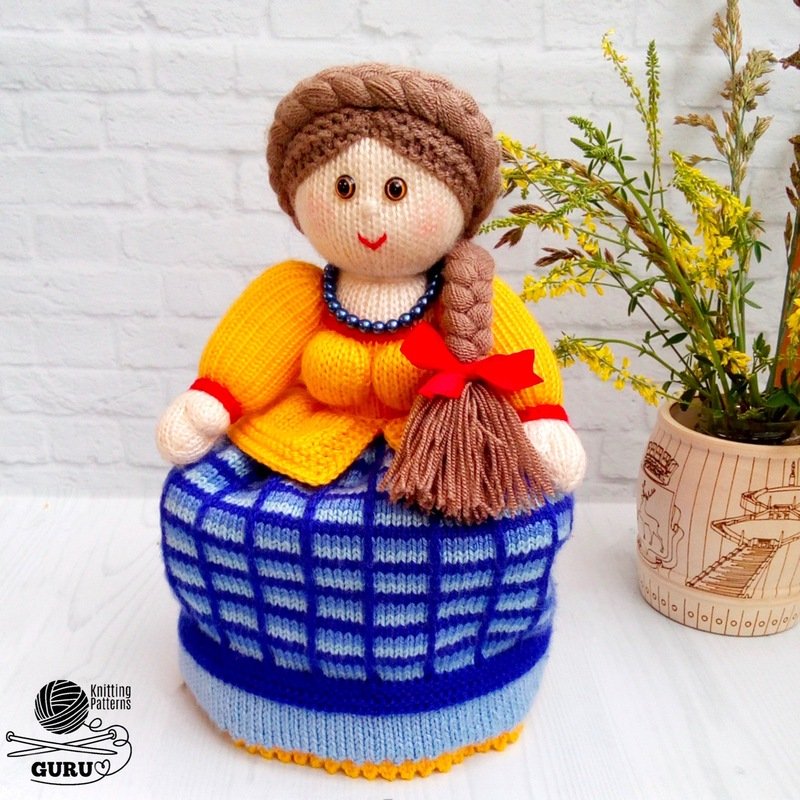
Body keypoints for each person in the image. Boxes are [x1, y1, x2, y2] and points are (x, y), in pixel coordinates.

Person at [156, 63, 585, 779]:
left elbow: (522, 360)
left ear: (459, 204)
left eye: (395, 191)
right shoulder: (297, 291)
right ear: (302, 201)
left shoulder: (467, 296)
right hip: (300, 441)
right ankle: (253, 684)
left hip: (442, 452)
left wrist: (540, 419)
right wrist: (214, 401)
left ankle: (454, 695)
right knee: (210, 513)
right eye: (344, 188)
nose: (368, 216)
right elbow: (252, 351)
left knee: (479, 534)